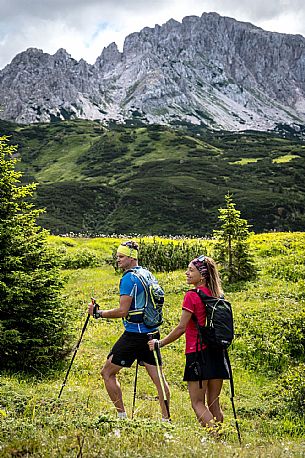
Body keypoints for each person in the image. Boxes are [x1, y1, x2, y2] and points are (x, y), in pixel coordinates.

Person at [88, 240, 170, 420]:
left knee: (107, 373)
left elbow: (123, 311)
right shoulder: (148, 274)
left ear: (131, 258)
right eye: (117, 256)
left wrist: (98, 313)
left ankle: (122, 417)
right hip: (152, 333)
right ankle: (166, 420)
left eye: (121, 257)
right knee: (159, 380)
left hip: (134, 335)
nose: (118, 260)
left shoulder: (128, 278)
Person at [148, 254, 230, 432]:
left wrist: (159, 343)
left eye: (191, 270)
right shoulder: (218, 295)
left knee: (197, 403)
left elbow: (181, 328)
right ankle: (221, 438)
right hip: (218, 353)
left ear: (203, 275)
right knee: (214, 404)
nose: (186, 273)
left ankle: (217, 438)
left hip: (198, 354)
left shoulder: (192, 296)